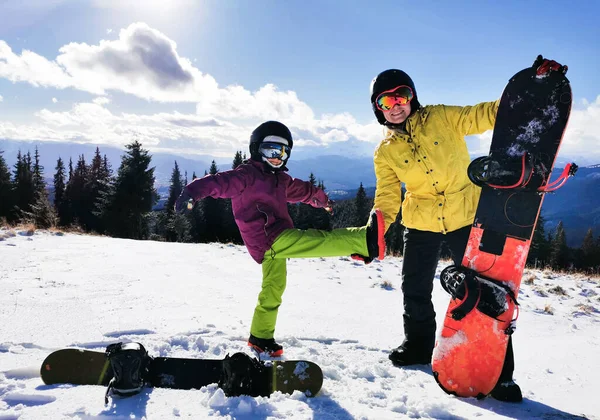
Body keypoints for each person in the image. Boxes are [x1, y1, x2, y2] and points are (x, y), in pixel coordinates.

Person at [367, 68, 524, 402]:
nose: (395, 105)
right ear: (377, 107)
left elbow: (478, 115)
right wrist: (378, 224)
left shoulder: (440, 117)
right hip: (421, 221)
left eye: (401, 96)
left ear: (411, 97)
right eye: (386, 100)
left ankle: (501, 375)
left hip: (463, 215)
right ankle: (418, 346)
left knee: (485, 292)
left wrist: (516, 104)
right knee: (414, 288)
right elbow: (387, 195)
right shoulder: (385, 151)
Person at [174, 120, 386, 357]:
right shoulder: (246, 176)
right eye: (272, 150)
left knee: (274, 287)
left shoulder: (279, 179)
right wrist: (192, 192)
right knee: (318, 239)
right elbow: (218, 182)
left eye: (283, 152)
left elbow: (303, 190)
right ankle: (363, 239)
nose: (277, 157)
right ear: (256, 149)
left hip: (274, 239)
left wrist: (323, 200)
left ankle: (260, 337)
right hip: (267, 238)